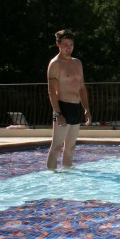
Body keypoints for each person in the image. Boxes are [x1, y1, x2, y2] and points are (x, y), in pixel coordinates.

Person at [46, 29, 91, 169]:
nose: (68, 47)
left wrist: (86, 109)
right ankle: (51, 178)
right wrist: (57, 113)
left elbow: (82, 87)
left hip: (75, 107)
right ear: (57, 44)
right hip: (62, 107)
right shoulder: (55, 64)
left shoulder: (77, 63)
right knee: (56, 147)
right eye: (65, 44)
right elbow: (51, 90)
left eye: (71, 44)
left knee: (70, 148)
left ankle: (67, 178)